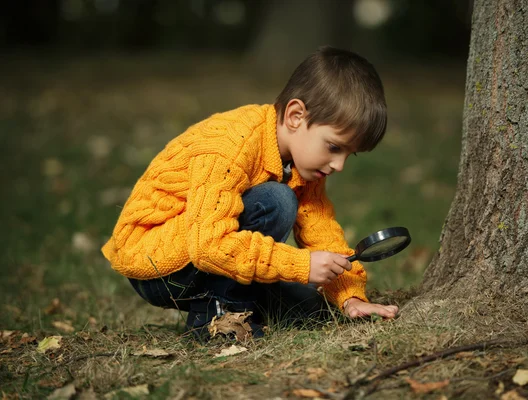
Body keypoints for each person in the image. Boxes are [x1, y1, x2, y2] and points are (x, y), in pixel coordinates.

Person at [101, 46, 399, 341]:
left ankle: (235, 298)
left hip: (211, 255)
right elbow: (208, 244)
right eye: (334, 147)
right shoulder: (232, 145)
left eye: (350, 155)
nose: (339, 165)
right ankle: (217, 319)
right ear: (296, 116)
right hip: (160, 265)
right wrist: (301, 265)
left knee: (312, 310)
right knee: (277, 201)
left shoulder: (303, 163)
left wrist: (350, 297)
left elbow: (320, 228)